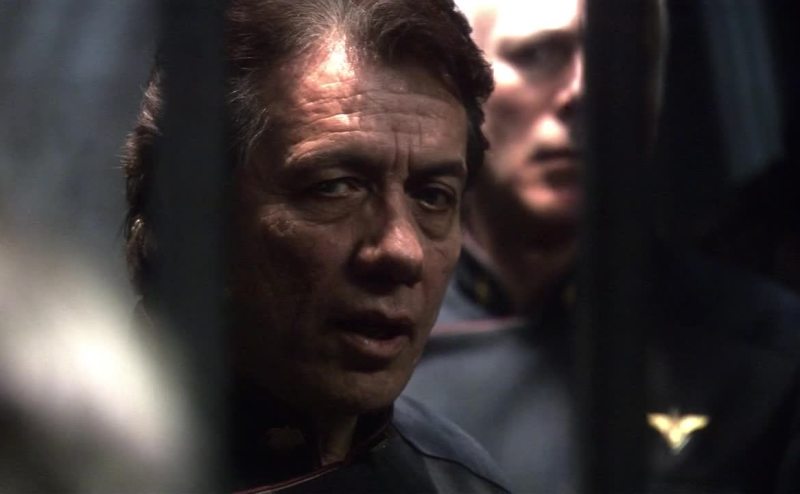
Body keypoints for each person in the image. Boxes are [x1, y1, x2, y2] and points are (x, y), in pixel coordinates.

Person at [404, 0, 800, 492]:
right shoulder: (374, 344)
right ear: (453, 86)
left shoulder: (767, 352)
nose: (587, 90)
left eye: (625, 57)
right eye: (537, 54)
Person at [122, 0, 510, 492]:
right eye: (335, 187)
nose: (401, 250)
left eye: (433, 196)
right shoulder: (56, 458)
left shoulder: (459, 479)